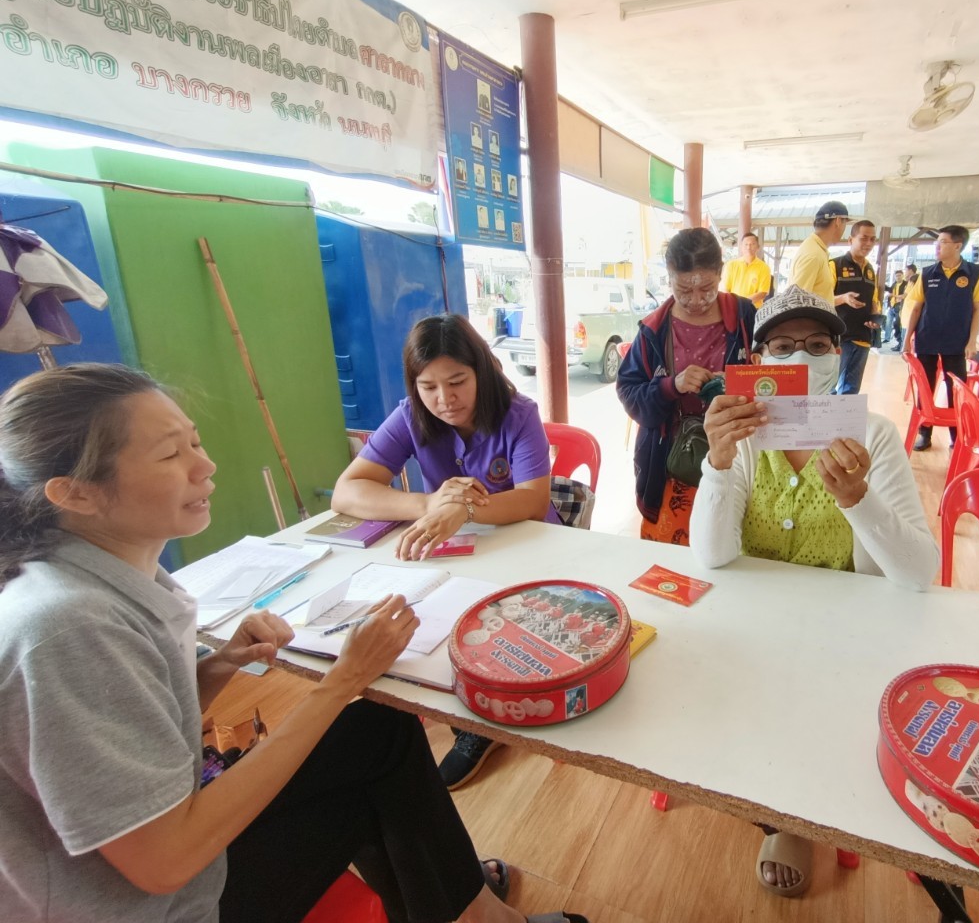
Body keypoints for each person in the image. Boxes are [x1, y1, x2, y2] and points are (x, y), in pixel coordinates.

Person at [0, 363, 587, 923]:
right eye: (170, 455)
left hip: (164, 854)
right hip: (168, 903)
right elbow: (166, 863)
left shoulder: (108, 579)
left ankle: (463, 906)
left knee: (378, 734)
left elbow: (138, 722)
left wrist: (218, 666)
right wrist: (341, 682)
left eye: (195, 442)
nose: (205, 466)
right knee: (372, 757)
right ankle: (464, 904)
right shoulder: (67, 630)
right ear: (75, 493)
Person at [689, 287, 939, 899]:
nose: (800, 357)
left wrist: (858, 498)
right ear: (757, 360)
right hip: (753, 625)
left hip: (844, 633)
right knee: (706, 692)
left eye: (817, 345)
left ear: (837, 356)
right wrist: (717, 461)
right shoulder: (745, 435)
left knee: (814, 699)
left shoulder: (871, 435)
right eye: (782, 346)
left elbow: (918, 574)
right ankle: (778, 805)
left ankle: (798, 816)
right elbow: (711, 556)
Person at [332, 314, 559, 791]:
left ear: (481, 371)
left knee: (507, 632)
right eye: (428, 386)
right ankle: (467, 716)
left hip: (531, 547)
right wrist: (429, 504)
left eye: (457, 382)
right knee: (436, 628)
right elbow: (346, 492)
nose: (444, 399)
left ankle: (483, 722)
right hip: (458, 548)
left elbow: (533, 501)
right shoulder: (411, 415)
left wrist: (466, 509)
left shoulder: (518, 414)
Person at [616, 227, 755, 545]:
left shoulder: (745, 317)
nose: (696, 300)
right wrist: (670, 386)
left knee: (734, 548)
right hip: (673, 465)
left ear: (720, 273)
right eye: (683, 289)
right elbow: (629, 392)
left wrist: (737, 382)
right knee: (671, 557)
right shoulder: (653, 330)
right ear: (669, 277)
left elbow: (774, 377)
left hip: (739, 458)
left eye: (706, 288)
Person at [900, 225, 979, 450]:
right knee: (925, 389)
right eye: (937, 242)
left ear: (957, 246)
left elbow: (977, 310)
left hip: (956, 342)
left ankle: (957, 437)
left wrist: (971, 341)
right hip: (927, 338)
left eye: (943, 242)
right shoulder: (927, 273)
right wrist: (907, 339)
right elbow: (916, 309)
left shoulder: (974, 273)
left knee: (956, 389)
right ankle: (924, 434)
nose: (937, 246)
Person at [830, 219, 881, 393]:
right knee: (828, 388)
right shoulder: (834, 265)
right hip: (838, 339)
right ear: (850, 240)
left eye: (872, 239)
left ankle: (846, 413)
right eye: (864, 238)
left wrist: (875, 316)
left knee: (851, 390)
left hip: (862, 337)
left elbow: (873, 301)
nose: (869, 243)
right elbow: (821, 299)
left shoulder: (870, 270)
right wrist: (843, 298)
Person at [788, 201, 852, 304]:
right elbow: (796, 302)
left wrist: (843, 298)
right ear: (838, 221)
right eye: (845, 223)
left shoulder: (817, 249)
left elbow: (820, 299)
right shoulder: (813, 255)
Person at [721, 230, 772, 304]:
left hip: (753, 309)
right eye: (746, 244)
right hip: (734, 307)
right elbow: (725, 289)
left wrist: (742, 303)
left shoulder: (764, 267)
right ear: (741, 247)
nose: (749, 247)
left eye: (752, 244)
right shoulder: (731, 265)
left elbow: (762, 293)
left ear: (758, 247)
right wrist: (734, 304)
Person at [885, 269, 908, 350]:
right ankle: (888, 338)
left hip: (900, 306)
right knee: (889, 323)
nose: (898, 277)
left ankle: (900, 343)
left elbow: (904, 296)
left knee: (897, 324)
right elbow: (890, 291)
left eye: (899, 275)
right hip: (892, 306)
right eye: (896, 276)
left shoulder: (906, 284)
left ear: (903, 275)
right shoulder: (894, 284)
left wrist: (893, 295)